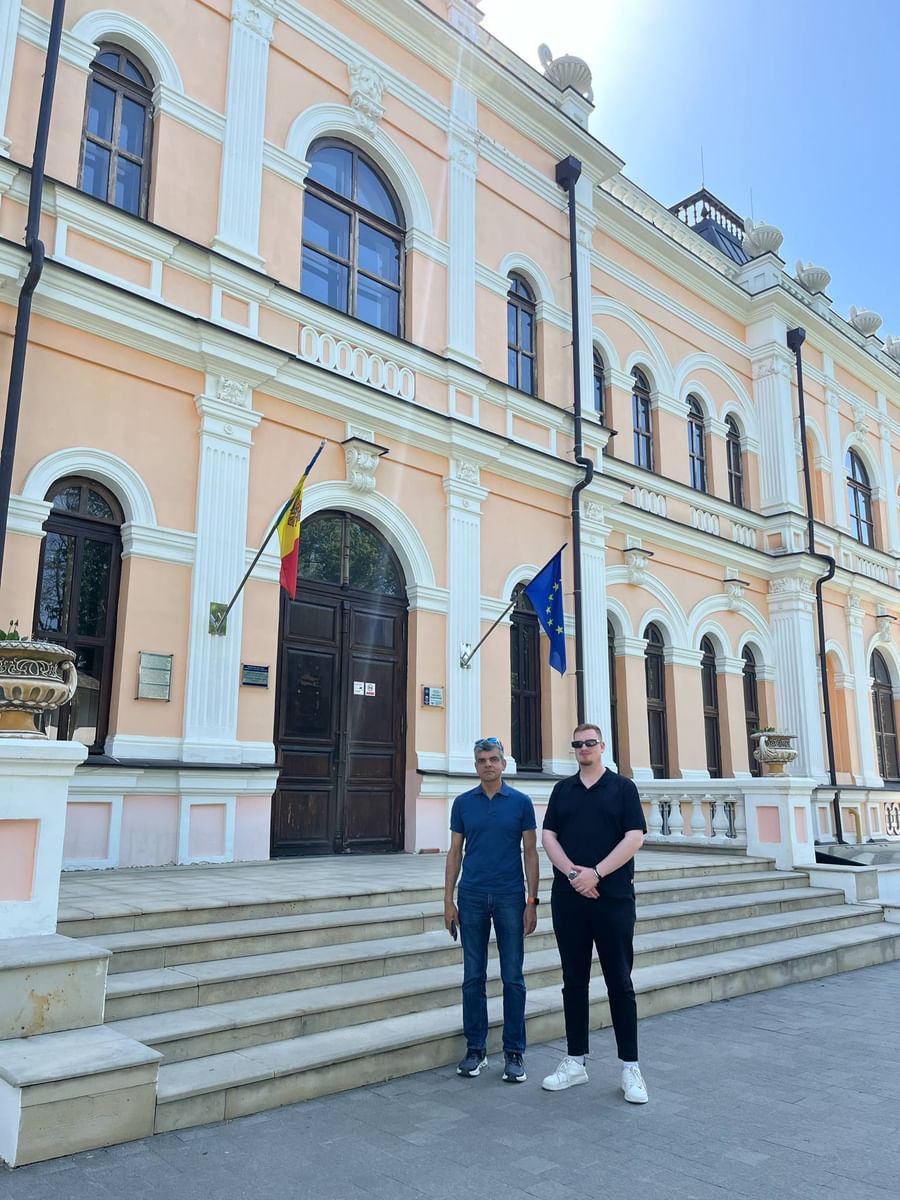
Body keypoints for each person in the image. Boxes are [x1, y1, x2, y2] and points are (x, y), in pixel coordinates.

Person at [540, 722, 649, 1104]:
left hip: (613, 897)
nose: (583, 748)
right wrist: (574, 874)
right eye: (577, 744)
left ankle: (630, 1068)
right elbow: (548, 835)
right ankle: (574, 1061)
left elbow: (634, 836)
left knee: (620, 981)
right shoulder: (562, 790)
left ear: (602, 746)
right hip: (569, 898)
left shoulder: (623, 788)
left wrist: (597, 873)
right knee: (574, 980)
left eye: (590, 743)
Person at [444, 736, 540, 1082]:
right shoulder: (462, 803)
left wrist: (532, 900)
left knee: (513, 977)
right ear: (475, 766)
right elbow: (455, 853)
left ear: (503, 764)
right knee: (473, 976)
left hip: (510, 898)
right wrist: (447, 900)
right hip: (471, 897)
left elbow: (530, 852)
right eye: (482, 760)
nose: (488, 764)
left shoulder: (521, 803)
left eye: (494, 759)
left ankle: (514, 1052)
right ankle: (476, 1049)